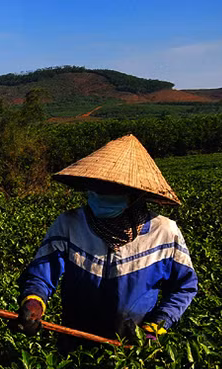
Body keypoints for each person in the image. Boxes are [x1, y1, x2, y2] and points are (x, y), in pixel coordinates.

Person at [12, 134, 198, 349]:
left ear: (134, 195)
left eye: (111, 189)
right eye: (96, 187)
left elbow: (184, 287)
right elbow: (41, 274)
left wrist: (156, 326)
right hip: (75, 342)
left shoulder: (164, 232)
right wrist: (34, 302)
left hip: (133, 346)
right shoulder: (69, 225)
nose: (99, 195)